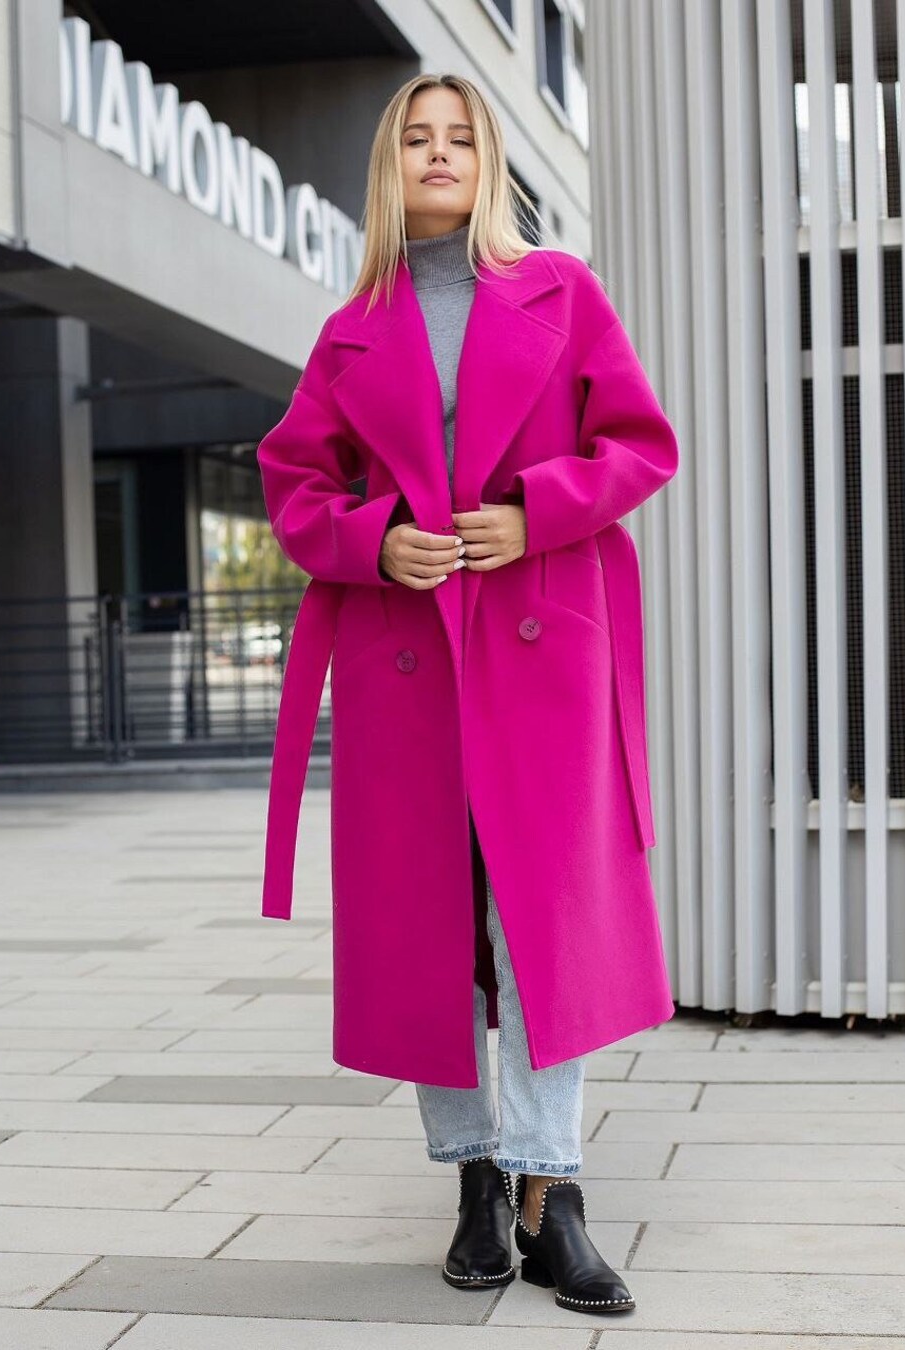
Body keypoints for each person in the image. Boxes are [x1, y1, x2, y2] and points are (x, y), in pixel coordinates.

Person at [256, 72, 679, 1318]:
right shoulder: (351, 330)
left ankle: (556, 1191)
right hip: (409, 667)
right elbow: (294, 487)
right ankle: (474, 1182)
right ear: (391, 168)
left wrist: (529, 516)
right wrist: (376, 537)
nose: (439, 153)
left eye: (461, 138)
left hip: (544, 655)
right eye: (416, 139)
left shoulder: (562, 290)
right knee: (437, 932)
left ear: (489, 163)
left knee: (540, 923)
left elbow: (642, 445)